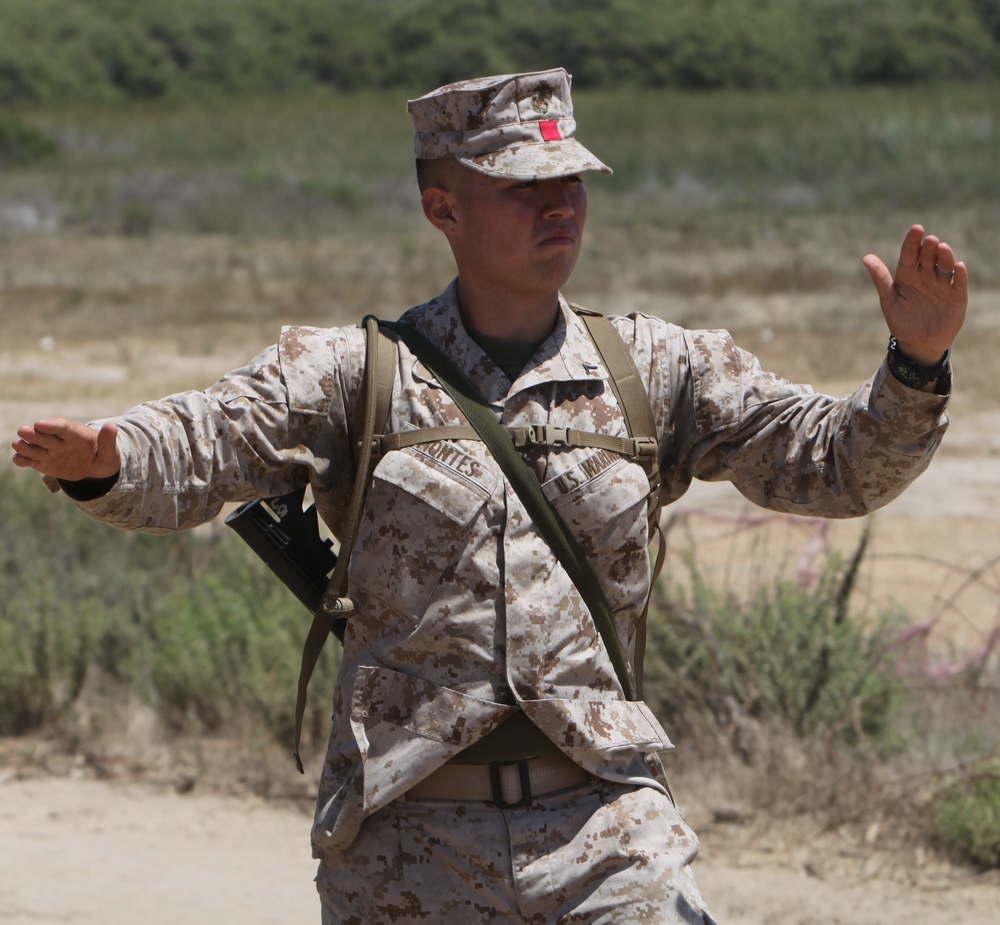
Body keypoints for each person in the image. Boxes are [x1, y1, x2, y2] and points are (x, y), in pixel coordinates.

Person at [11, 68, 968, 924]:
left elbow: (836, 466)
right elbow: (210, 438)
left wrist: (913, 363)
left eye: (570, 185)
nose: (560, 208)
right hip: (405, 850)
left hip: (607, 834)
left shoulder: (658, 367)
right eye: (523, 188)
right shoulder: (357, 372)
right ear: (443, 207)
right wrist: (107, 458)